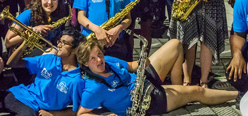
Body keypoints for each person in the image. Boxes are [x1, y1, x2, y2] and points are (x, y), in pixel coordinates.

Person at [75, 39, 238, 115]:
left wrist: (141, 62)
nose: (99, 60)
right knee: (197, 92)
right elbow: (82, 113)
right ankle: (239, 95)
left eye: (99, 54)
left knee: (175, 44)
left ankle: (179, 87)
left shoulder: (108, 60)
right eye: (92, 59)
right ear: (85, 64)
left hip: (142, 80)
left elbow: (131, 66)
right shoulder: (93, 89)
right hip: (146, 102)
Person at [2, 28, 85, 116]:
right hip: (18, 95)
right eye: (59, 41)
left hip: (33, 108)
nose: (59, 45)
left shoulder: (76, 80)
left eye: (64, 43)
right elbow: (12, 63)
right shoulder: (49, 59)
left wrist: (53, 114)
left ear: (75, 49)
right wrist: (25, 43)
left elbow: (80, 109)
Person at [5, 0, 71, 50]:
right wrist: (34, 30)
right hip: (25, 53)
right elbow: (7, 42)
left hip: (46, 53)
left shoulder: (58, 15)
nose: (50, 2)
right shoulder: (28, 14)